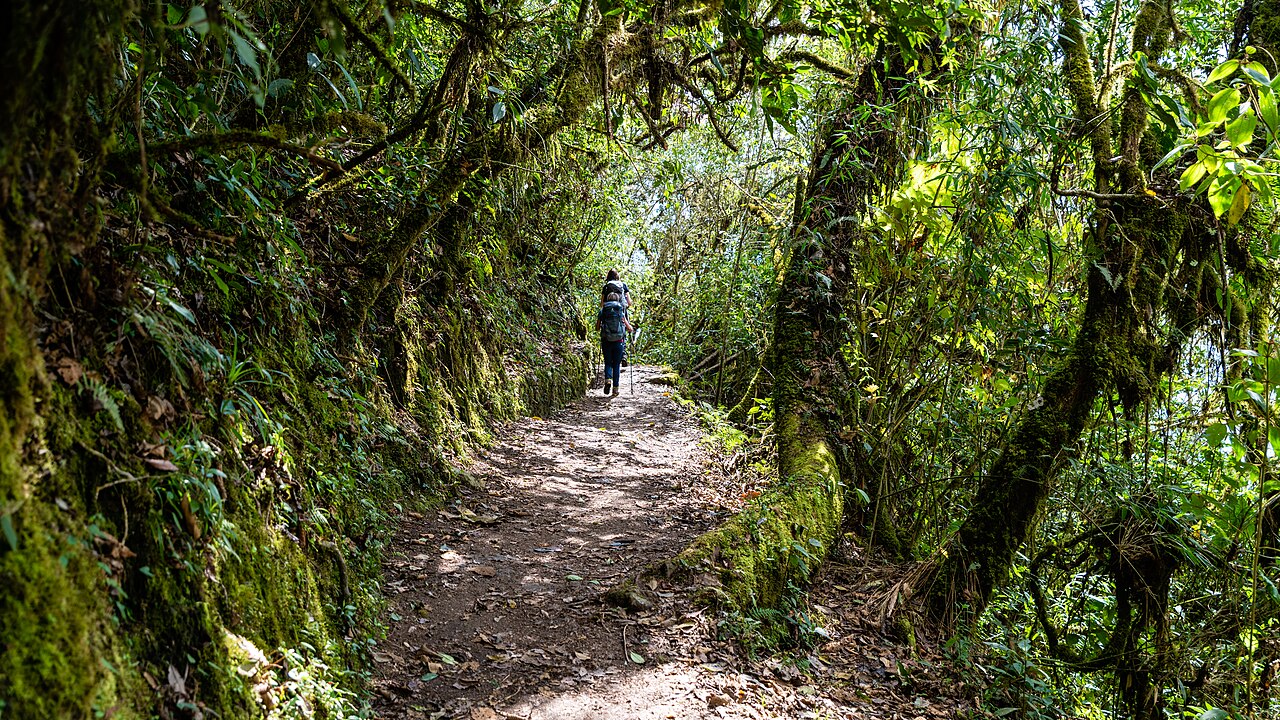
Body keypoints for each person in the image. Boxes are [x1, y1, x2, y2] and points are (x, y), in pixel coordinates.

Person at [596, 291, 633, 397]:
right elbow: (629, 328)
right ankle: (615, 389)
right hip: (619, 341)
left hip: (606, 340)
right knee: (616, 364)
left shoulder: (603, 311)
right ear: (617, 300)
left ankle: (608, 380)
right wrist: (630, 328)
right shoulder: (620, 310)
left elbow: (597, 328)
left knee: (608, 362)